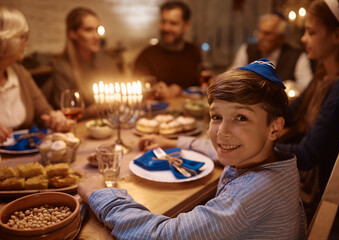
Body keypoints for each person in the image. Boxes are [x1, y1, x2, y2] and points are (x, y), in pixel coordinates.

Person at [78, 59, 306, 239]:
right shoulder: (273, 161)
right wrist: (176, 143)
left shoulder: (250, 196)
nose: (221, 132)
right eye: (217, 116)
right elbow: (218, 146)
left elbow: (162, 235)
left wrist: (102, 195)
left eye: (241, 117)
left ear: (274, 128)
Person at [276, 0, 339, 226]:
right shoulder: (324, 73)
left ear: (338, 35)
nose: (303, 39)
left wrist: (252, 146)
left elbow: (307, 154)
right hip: (308, 184)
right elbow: (290, 113)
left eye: (311, 32)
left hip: (325, 200)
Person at [0, 6, 71, 143]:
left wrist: (54, 119)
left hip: (23, 157)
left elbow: (43, 112)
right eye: (23, 37)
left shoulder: (20, 73)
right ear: (5, 40)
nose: (27, 43)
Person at [49, 7, 121, 119]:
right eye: (88, 30)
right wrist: (92, 111)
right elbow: (64, 115)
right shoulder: (63, 69)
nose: (96, 36)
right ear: (72, 34)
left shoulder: (108, 62)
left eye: (97, 30)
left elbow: (121, 97)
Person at [230, 12, 313, 93]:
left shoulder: (297, 55)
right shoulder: (247, 49)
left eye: (267, 33)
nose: (260, 37)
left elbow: (307, 87)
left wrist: (289, 87)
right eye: (260, 32)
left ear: (281, 38)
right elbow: (232, 78)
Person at [133, 1, 202, 98]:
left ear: (186, 25)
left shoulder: (193, 51)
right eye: (163, 22)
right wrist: (156, 92)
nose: (166, 28)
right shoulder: (147, 55)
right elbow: (136, 91)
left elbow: (198, 87)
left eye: (173, 23)